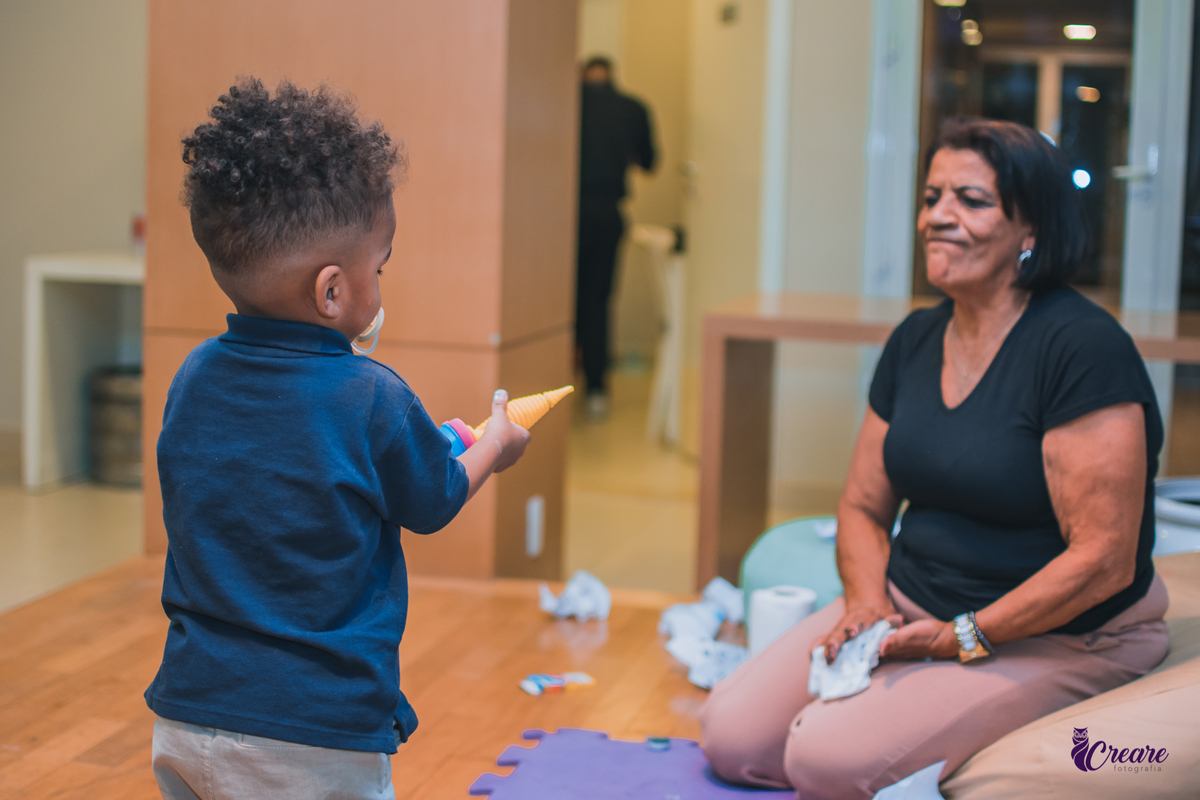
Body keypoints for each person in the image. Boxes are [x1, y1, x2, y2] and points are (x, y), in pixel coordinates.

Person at [700, 118, 1170, 799]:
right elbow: (863, 504)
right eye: (931, 198)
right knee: (732, 736)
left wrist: (960, 637)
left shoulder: (1082, 347)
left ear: (1031, 229)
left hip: (1061, 634)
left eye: (970, 200)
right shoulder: (916, 338)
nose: (937, 217)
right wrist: (867, 603)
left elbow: (1103, 560)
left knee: (824, 760)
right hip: (910, 605)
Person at [144, 78, 530, 800]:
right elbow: (435, 497)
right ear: (331, 291)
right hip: (312, 734)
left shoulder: (193, 376)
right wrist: (494, 445)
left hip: (189, 713)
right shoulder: (372, 395)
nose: (380, 284)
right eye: (377, 268)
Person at [576, 55, 656, 419]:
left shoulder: (569, 103)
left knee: (562, 302)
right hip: (608, 213)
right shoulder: (632, 108)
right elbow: (649, 161)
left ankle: (557, 381)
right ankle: (596, 389)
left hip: (565, 216)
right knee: (598, 301)